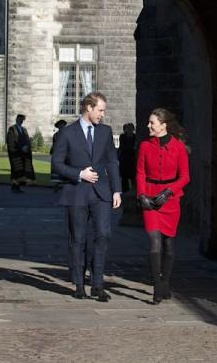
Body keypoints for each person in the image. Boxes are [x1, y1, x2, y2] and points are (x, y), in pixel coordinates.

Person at [51, 92, 122, 302]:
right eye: (100, 110)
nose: (102, 114)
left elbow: (112, 162)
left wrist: (116, 190)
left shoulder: (105, 132)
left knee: (104, 234)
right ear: (88, 108)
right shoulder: (67, 133)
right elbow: (57, 163)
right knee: (78, 239)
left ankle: (97, 284)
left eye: (103, 111)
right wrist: (78, 174)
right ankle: (79, 285)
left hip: (101, 193)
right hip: (77, 192)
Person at [135, 108, 190, 304]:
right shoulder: (144, 146)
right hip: (149, 198)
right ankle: (157, 286)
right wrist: (141, 195)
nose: (148, 126)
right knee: (154, 241)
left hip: (170, 199)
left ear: (163, 125)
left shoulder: (178, 148)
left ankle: (165, 282)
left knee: (168, 244)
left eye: (152, 123)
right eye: (149, 122)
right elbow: (140, 172)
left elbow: (185, 177)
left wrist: (168, 192)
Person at [6, 114, 36, 193]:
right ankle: (14, 187)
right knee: (15, 169)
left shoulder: (24, 129)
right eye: (19, 119)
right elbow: (11, 141)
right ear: (16, 119)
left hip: (23, 154)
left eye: (22, 120)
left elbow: (27, 140)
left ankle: (18, 187)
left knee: (21, 171)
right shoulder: (12, 129)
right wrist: (20, 148)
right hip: (16, 153)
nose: (20, 121)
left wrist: (27, 147)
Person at [117, 123, 136, 192]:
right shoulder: (123, 136)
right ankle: (125, 191)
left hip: (132, 159)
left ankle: (134, 190)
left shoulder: (135, 137)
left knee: (133, 176)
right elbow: (122, 147)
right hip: (124, 159)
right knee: (124, 177)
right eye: (128, 128)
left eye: (130, 128)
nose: (129, 130)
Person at [50, 119, 68, 192]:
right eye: (61, 126)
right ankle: (56, 186)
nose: (62, 127)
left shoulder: (68, 134)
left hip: (66, 155)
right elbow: (54, 144)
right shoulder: (56, 135)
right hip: (57, 155)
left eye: (63, 125)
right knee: (57, 171)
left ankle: (67, 187)